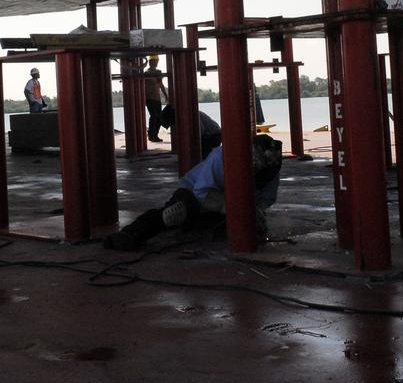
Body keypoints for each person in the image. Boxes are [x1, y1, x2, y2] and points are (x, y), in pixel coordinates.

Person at [104, 133, 283, 250]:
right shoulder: (220, 158)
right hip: (194, 193)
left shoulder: (271, 169)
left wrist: (256, 211)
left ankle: (196, 225)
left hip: (227, 205)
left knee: (242, 227)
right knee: (175, 213)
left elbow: (266, 198)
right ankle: (130, 234)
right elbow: (201, 192)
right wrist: (231, 207)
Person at [142, 55, 168, 142]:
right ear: (150, 62)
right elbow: (142, 86)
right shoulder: (146, 73)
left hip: (157, 98)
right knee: (154, 116)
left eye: (157, 61)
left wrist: (165, 95)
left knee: (159, 117)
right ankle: (150, 134)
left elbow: (160, 84)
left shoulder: (158, 72)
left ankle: (155, 135)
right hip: (149, 98)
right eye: (154, 61)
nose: (156, 63)